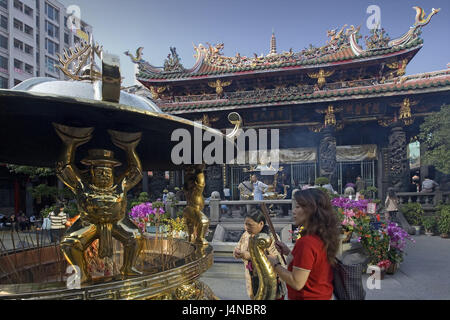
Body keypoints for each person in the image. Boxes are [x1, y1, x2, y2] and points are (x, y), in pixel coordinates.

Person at [266, 188, 340, 300]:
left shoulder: (306, 242)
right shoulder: (321, 237)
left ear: (311, 210)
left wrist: (275, 264)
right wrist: (288, 252)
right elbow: (311, 265)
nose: (294, 211)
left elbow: (297, 282)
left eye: (298, 207)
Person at [234, 210, 286, 300]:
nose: (246, 228)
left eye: (250, 225)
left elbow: (276, 259)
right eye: (245, 224)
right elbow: (238, 248)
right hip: (253, 277)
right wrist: (237, 253)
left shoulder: (270, 237)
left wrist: (250, 256)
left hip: (270, 278)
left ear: (261, 224)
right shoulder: (246, 235)